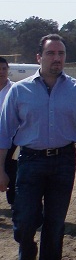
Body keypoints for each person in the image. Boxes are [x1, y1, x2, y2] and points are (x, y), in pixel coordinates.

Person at [0, 34, 76, 260]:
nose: (57, 58)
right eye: (51, 53)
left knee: (55, 225)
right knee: (24, 221)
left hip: (64, 161)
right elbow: (4, 133)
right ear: (39, 57)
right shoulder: (19, 91)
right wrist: (1, 169)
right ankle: (27, 251)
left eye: (61, 53)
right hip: (29, 161)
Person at [0, 57, 17, 206]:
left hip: (12, 141)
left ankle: (15, 206)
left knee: (12, 173)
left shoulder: (16, 90)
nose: (1, 72)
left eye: (4, 69)